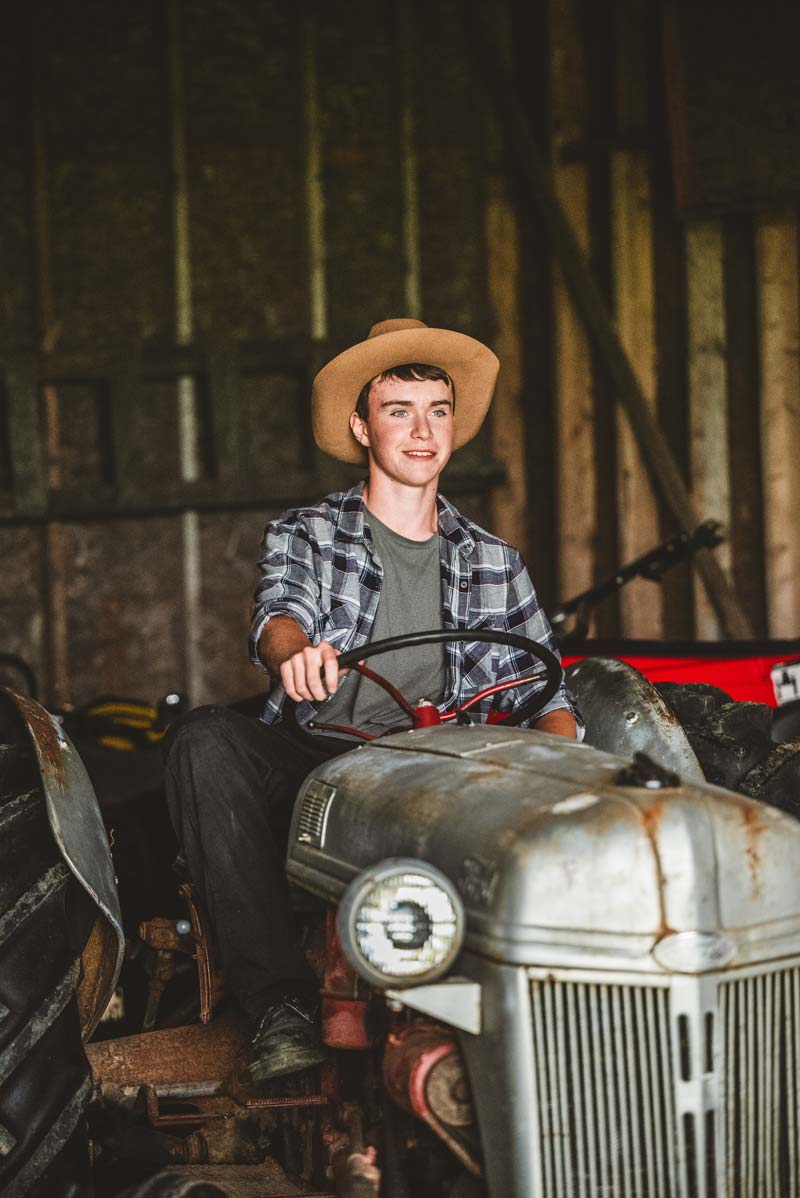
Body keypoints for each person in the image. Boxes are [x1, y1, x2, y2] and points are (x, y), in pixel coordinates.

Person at [164, 318, 580, 1084]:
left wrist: (572, 761)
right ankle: (280, 1009)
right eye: (399, 410)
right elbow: (278, 615)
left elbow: (549, 688)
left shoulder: (495, 560)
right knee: (205, 740)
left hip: (448, 775)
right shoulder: (312, 533)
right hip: (323, 766)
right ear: (361, 425)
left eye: (437, 410)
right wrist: (295, 658)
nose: (422, 431)